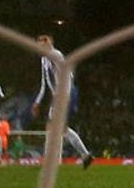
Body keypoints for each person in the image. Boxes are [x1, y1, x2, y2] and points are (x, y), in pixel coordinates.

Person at [30, 34, 94, 169]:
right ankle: (86, 156)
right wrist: (37, 101)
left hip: (63, 94)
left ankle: (51, 161)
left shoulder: (57, 55)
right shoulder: (44, 60)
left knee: (53, 126)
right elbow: (44, 82)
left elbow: (68, 75)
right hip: (57, 95)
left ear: (48, 44)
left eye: (42, 44)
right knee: (61, 128)